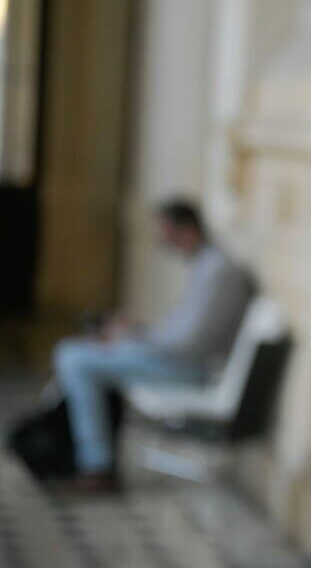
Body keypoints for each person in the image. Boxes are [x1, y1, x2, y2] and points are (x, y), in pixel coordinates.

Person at [51, 198, 256, 492]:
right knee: (78, 352)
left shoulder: (218, 271)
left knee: (75, 359)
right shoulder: (206, 265)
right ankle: (88, 458)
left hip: (187, 369)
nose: (160, 240)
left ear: (185, 229)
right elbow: (180, 334)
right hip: (173, 359)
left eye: (164, 232)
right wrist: (132, 332)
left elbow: (188, 345)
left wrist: (132, 338)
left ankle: (97, 465)